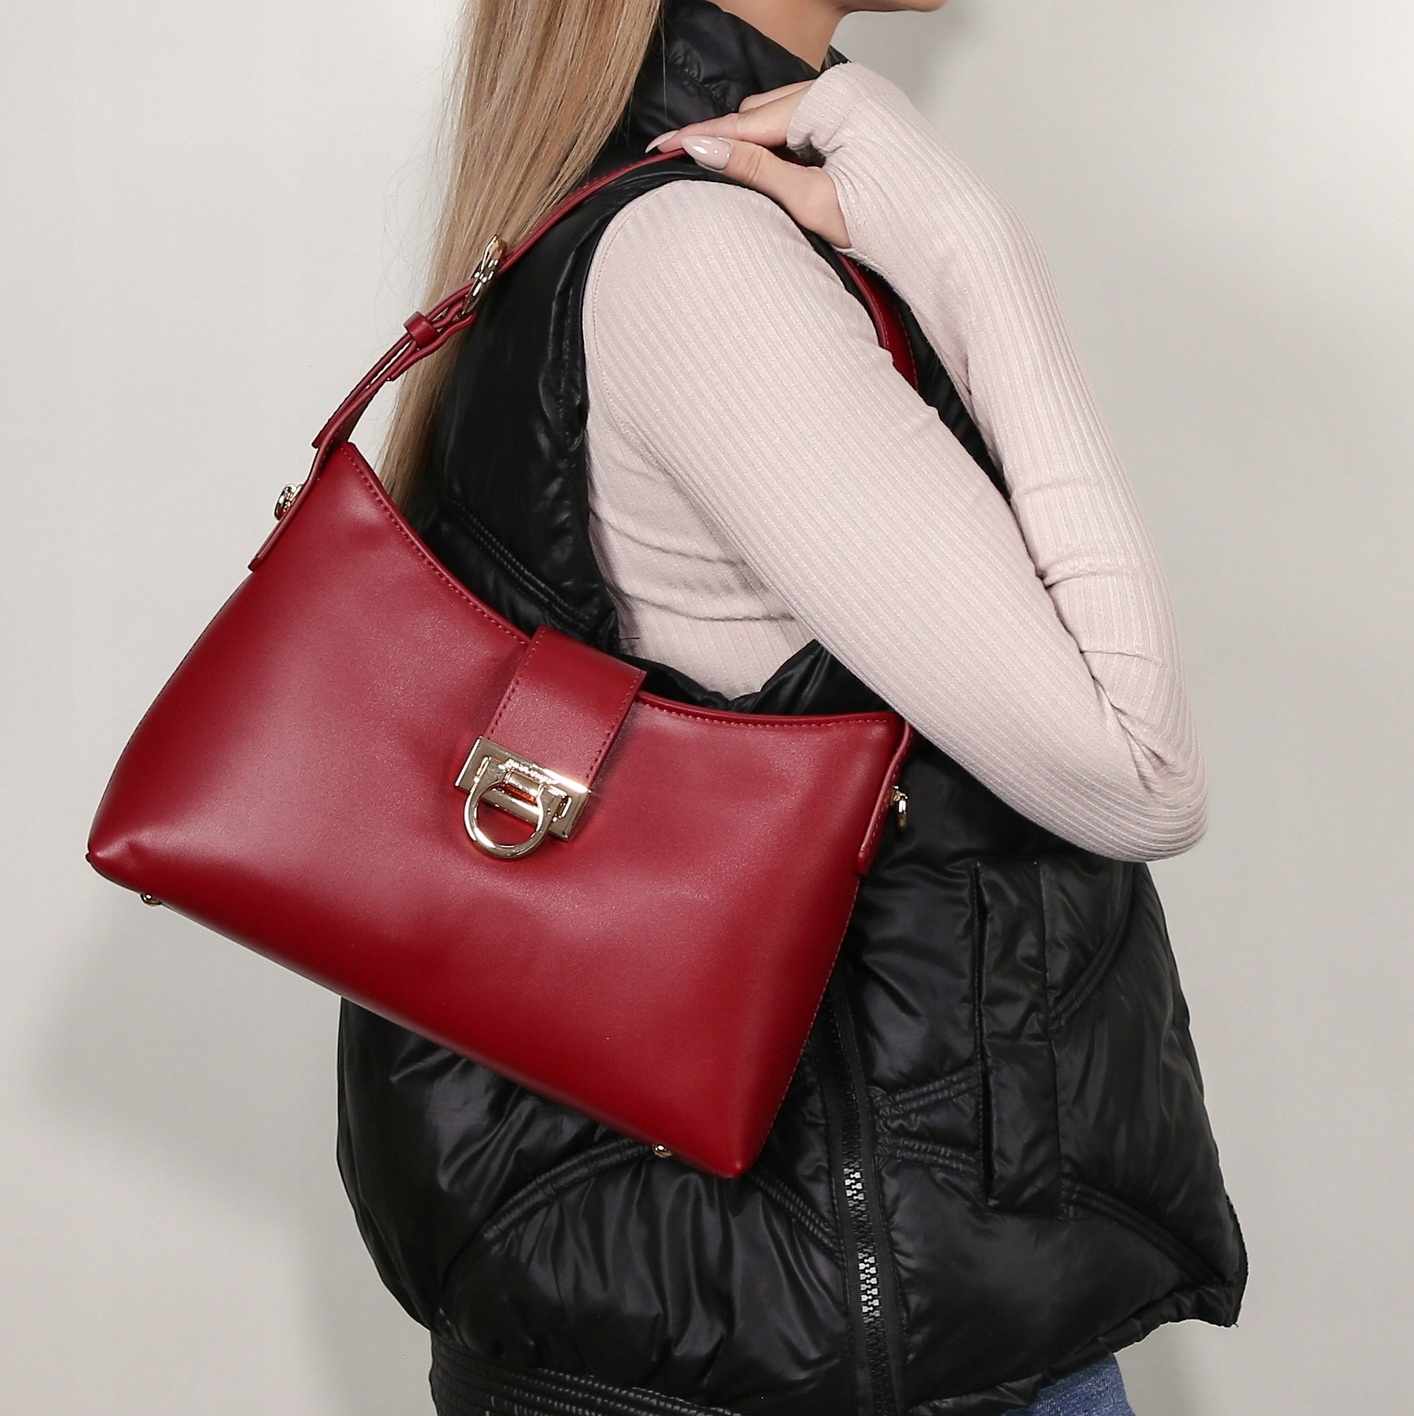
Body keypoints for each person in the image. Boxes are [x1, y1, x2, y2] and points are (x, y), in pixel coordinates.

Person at [339, 3, 1247, 1414]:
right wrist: (976, 249)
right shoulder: (701, 258)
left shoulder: (634, 215)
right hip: (831, 1351)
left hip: (747, 1334)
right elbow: (1140, 770)